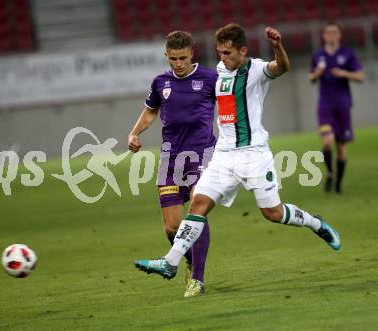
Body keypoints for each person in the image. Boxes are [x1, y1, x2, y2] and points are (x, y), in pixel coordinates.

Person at [134, 24, 341, 282]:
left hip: (254, 154)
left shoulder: (256, 69)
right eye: (220, 52)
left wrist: (277, 47)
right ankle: (170, 262)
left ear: (243, 51)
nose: (223, 58)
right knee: (198, 205)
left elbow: (282, 67)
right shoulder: (218, 72)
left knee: (272, 213)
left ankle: (316, 224)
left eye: (228, 53)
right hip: (223, 154)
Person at [128, 31, 218, 297]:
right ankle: (187, 259)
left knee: (196, 211)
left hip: (202, 155)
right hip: (171, 158)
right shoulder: (160, 82)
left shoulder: (209, 78)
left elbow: (228, 105)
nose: (178, 63)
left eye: (183, 58)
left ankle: (197, 279)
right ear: (166, 55)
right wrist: (134, 133)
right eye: (173, 59)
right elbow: (150, 111)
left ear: (192, 54)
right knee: (171, 227)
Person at [309, 22, 364, 193]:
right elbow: (311, 78)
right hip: (325, 105)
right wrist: (316, 74)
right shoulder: (318, 55)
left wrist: (344, 73)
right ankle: (330, 172)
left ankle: (338, 184)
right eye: (328, 32)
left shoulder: (347, 54)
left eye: (334, 32)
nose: (331, 35)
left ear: (339, 35)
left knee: (341, 147)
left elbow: (360, 76)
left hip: (343, 105)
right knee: (327, 141)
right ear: (324, 36)